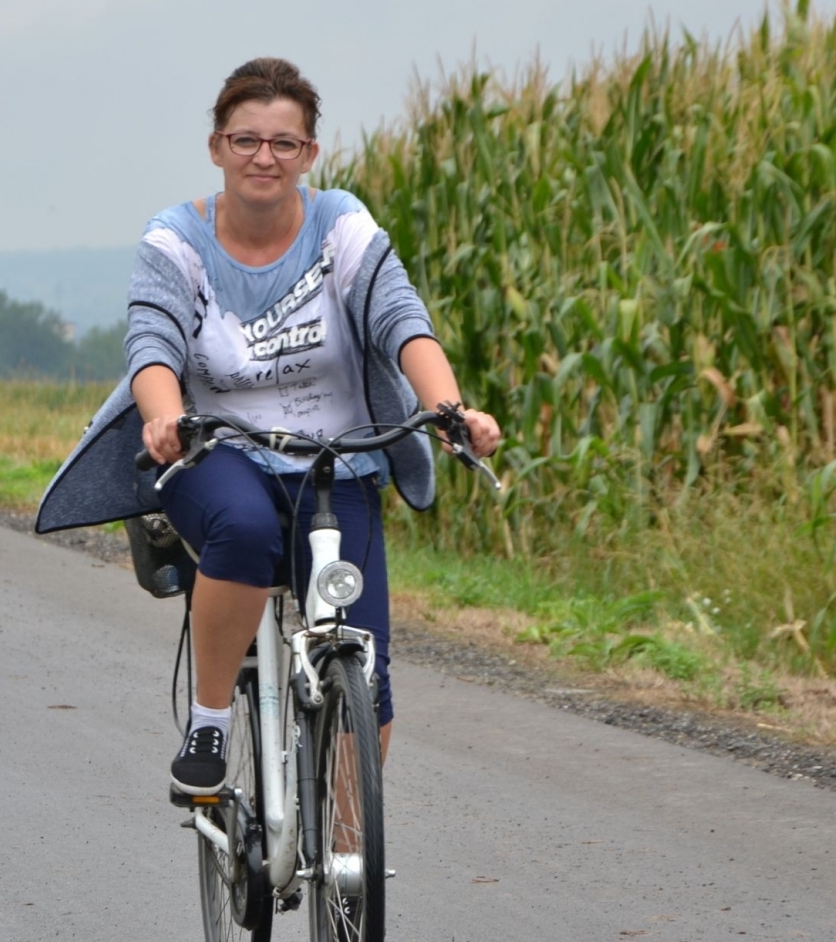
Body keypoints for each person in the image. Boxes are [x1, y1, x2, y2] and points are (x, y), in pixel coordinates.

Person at [34, 58, 501, 795]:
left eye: (284, 143)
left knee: (367, 683)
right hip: (214, 451)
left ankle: (347, 873)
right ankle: (211, 721)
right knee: (246, 529)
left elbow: (400, 320)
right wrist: (162, 421)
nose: (264, 157)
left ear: (308, 155)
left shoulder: (340, 223)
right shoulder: (176, 240)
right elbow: (152, 348)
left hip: (335, 460)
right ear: (217, 147)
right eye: (246, 140)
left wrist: (449, 408)